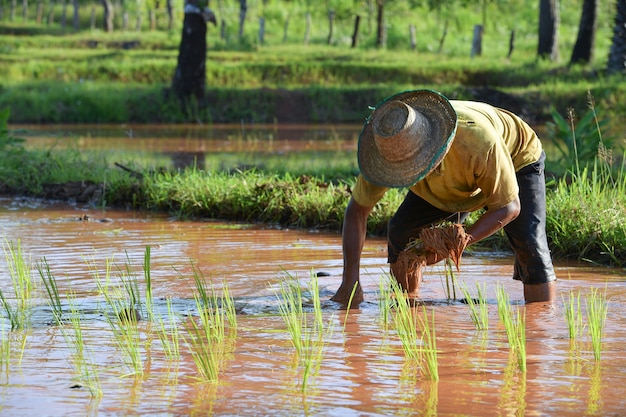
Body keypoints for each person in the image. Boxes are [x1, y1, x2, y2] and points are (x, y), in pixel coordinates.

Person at [331, 89, 557, 306]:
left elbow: (509, 207)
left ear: (431, 152)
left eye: (412, 167)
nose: (405, 174)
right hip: (453, 179)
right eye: (402, 171)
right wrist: (350, 281)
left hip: (515, 158)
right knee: (401, 232)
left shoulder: (478, 142)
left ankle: (543, 325)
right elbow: (356, 212)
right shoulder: (386, 153)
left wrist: (459, 241)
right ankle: (408, 307)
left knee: (530, 245)